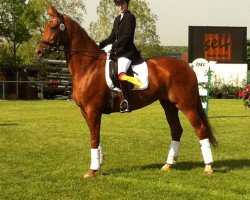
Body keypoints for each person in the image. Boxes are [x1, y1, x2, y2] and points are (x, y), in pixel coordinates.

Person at [99, 0, 144, 113]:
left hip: (127, 52)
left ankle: (127, 102)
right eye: (118, 5)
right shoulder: (117, 19)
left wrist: (113, 46)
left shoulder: (130, 17)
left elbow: (127, 37)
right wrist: (100, 44)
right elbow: (112, 37)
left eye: (122, 4)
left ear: (126, 4)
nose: (120, 7)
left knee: (121, 74)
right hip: (117, 52)